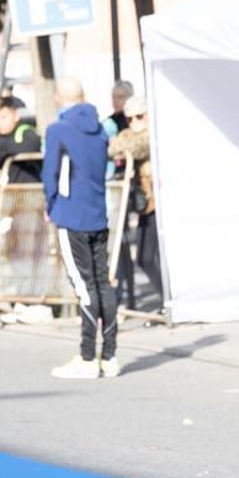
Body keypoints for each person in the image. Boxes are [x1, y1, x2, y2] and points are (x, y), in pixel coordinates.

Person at [44, 77, 118, 379]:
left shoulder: (58, 129)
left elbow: (51, 173)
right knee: (102, 283)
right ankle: (109, 356)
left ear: (58, 98)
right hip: (98, 213)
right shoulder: (100, 129)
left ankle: (88, 356)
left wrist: (50, 206)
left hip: (71, 214)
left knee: (83, 285)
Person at [107, 94, 160, 309]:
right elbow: (113, 147)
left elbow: (138, 147)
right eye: (129, 119)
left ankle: (168, 301)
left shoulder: (154, 131)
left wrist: (124, 144)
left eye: (139, 117)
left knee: (150, 257)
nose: (134, 122)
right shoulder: (130, 133)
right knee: (145, 258)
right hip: (146, 204)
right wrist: (123, 143)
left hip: (159, 203)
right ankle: (166, 301)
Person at [0, 96, 41, 183]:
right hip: (6, 188)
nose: (0, 123)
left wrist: (0, 146)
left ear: (16, 116)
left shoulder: (25, 132)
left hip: (28, 187)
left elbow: (30, 147)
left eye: (4, 117)